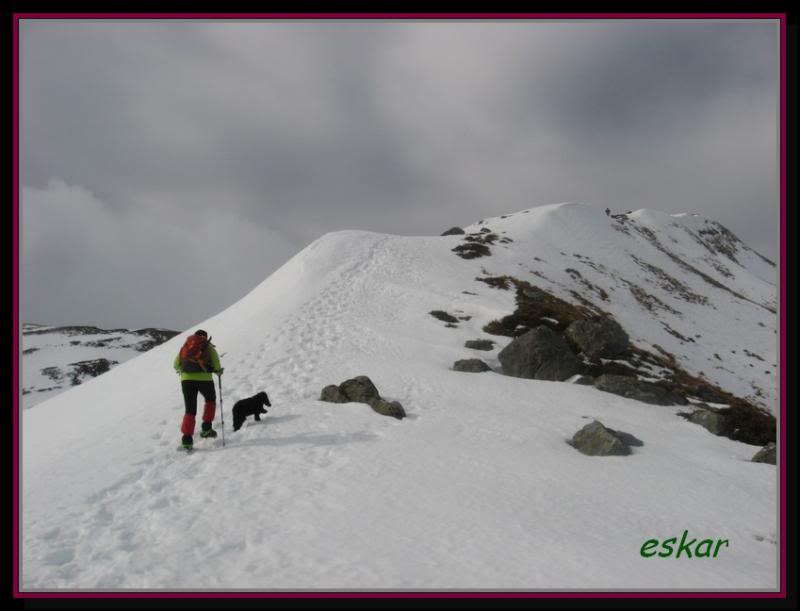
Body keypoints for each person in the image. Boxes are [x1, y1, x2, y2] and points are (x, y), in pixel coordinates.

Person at [174, 329, 223, 449]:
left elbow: (176, 364)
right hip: (205, 380)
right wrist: (217, 371)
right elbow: (216, 363)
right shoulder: (207, 346)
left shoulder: (185, 346)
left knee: (190, 409)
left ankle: (187, 440)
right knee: (210, 400)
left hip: (186, 380)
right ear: (205, 337)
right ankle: (206, 428)